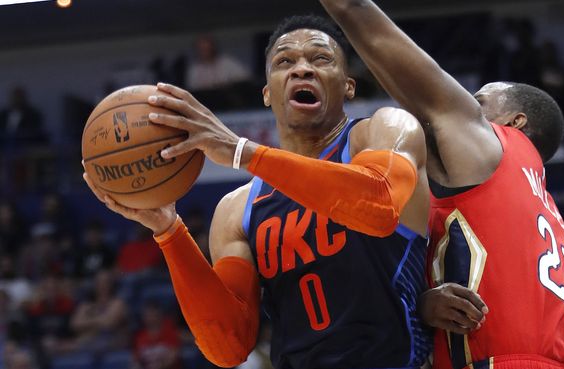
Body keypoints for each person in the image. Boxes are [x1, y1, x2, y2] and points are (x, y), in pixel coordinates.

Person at [82, 15, 470, 368]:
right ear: (268, 92)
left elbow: (379, 204)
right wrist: (169, 231)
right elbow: (228, 346)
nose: (302, 68)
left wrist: (243, 152)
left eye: (321, 59)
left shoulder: (383, 130)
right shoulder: (238, 209)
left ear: (348, 86)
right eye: (285, 62)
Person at [318, 1, 564, 368]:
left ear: (515, 123)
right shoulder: (548, 214)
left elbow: (377, 36)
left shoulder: (495, 148)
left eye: (477, 103)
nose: (466, 108)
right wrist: (423, 301)